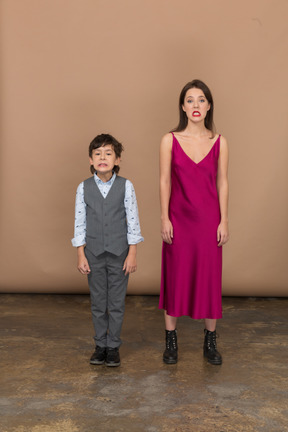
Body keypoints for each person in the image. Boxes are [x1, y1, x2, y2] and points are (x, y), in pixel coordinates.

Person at [159, 80, 229, 365]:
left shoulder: (220, 141)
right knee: (175, 276)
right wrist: (164, 217)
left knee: (210, 277)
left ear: (209, 105)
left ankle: (210, 342)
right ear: (183, 107)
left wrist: (224, 220)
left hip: (209, 220)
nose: (196, 105)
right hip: (178, 219)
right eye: (190, 100)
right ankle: (170, 341)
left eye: (201, 100)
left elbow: (223, 182)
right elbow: (164, 180)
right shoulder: (169, 140)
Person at [72, 133, 143, 367]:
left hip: (119, 253)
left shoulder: (126, 186)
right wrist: (81, 254)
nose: (103, 157)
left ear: (118, 159)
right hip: (92, 254)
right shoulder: (83, 188)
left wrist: (132, 252)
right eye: (98, 153)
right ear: (91, 160)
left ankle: (113, 346)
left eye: (108, 153)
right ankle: (100, 345)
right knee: (98, 302)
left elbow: (132, 221)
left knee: (116, 303)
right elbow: (79, 223)